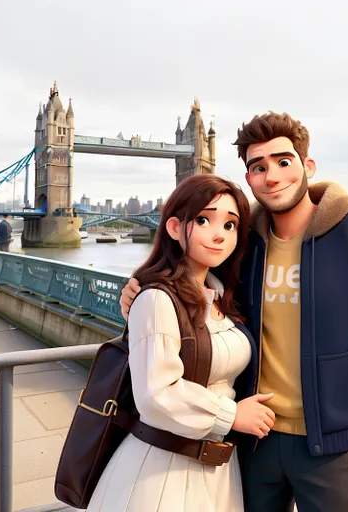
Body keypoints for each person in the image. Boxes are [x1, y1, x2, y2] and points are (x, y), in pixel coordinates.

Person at [120, 113, 348, 512]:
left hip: (328, 441)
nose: (272, 176)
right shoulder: (246, 242)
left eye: (283, 162)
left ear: (307, 167)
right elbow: (196, 280)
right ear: (250, 180)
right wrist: (142, 289)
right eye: (258, 167)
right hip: (253, 433)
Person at [87, 174, 274, 512]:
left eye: (231, 225)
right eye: (203, 220)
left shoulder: (223, 298)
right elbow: (156, 395)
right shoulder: (156, 299)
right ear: (174, 227)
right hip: (162, 473)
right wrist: (233, 415)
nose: (219, 234)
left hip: (216, 470)